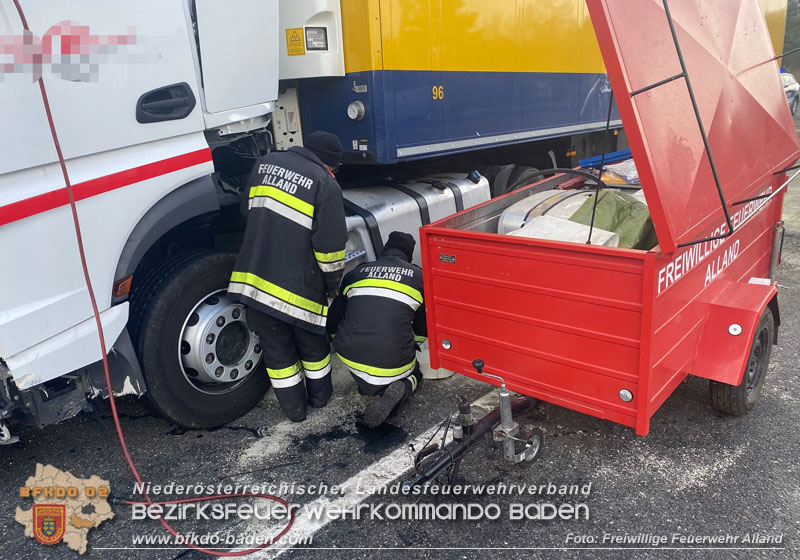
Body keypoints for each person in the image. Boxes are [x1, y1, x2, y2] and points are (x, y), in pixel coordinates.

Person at [228, 131, 347, 422]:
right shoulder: (324, 184)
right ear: (330, 164)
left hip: (254, 282)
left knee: (277, 354)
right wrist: (332, 287)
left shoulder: (264, 164)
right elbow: (330, 248)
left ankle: (295, 412)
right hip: (297, 291)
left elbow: (248, 211)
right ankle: (320, 399)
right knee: (314, 348)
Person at [327, 231, 427, 427]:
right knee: (417, 373)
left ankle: (369, 386)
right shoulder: (418, 277)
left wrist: (337, 338)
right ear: (408, 256)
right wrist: (413, 343)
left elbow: (333, 320)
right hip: (393, 358)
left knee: (365, 357)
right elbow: (423, 329)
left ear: (384, 252)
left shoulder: (356, 273)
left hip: (350, 354)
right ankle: (403, 387)